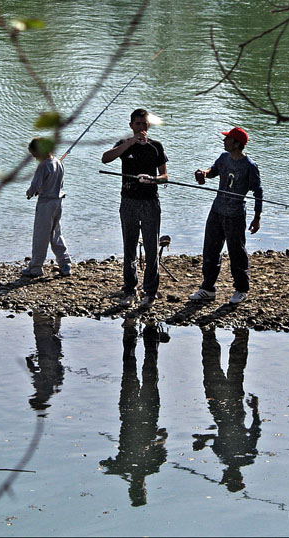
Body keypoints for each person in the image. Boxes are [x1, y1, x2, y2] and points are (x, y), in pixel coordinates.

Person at [101, 108, 168, 307]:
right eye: (137, 124)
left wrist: (153, 179)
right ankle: (130, 289)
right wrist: (130, 142)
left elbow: (165, 176)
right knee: (129, 247)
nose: (141, 128)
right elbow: (105, 158)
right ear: (131, 126)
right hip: (128, 201)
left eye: (144, 124)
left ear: (148, 126)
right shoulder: (124, 144)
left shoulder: (156, 147)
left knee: (151, 248)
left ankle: (150, 292)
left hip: (150, 203)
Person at [189, 126, 263, 305]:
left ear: (237, 144)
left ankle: (241, 289)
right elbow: (213, 171)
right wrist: (203, 174)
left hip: (235, 215)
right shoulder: (224, 158)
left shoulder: (249, 166)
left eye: (228, 139)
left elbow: (258, 192)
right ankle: (207, 289)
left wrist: (257, 217)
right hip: (216, 211)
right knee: (210, 250)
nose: (224, 141)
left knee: (236, 252)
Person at [99, 320, 169, 507]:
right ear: (143, 488)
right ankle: (146, 331)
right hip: (139, 416)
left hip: (134, 417)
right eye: (139, 490)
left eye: (137, 490)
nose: (139, 487)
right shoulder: (146, 467)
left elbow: (104, 463)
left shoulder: (142, 467)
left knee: (141, 372)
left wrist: (111, 468)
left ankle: (141, 331)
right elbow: (162, 442)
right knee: (140, 372)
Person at [192, 326, 261, 492]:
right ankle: (223, 335)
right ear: (237, 477)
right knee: (218, 370)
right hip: (226, 410)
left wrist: (203, 440)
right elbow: (255, 430)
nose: (224, 474)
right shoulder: (245, 456)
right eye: (227, 478)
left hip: (227, 411)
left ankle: (234, 336)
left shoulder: (234, 457)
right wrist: (254, 409)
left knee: (230, 371)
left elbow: (254, 430)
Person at [21, 138, 72, 278]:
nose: (34, 157)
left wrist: (29, 193)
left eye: (34, 154)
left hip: (46, 204)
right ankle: (65, 263)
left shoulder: (43, 165)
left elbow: (35, 185)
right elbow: (55, 183)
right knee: (56, 233)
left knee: (40, 236)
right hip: (58, 202)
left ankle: (36, 267)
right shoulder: (58, 163)